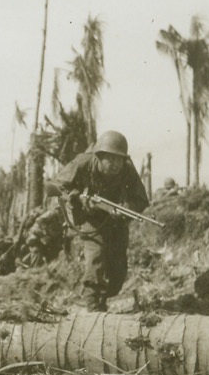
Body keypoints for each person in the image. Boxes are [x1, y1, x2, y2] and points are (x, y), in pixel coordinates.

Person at [55, 130, 150, 312]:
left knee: (118, 269)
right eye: (110, 159)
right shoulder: (83, 163)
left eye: (119, 159)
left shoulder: (127, 169)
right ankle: (91, 305)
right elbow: (56, 186)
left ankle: (105, 302)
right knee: (96, 257)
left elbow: (141, 199)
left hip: (116, 219)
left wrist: (125, 210)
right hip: (89, 217)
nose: (115, 164)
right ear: (99, 156)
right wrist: (77, 198)